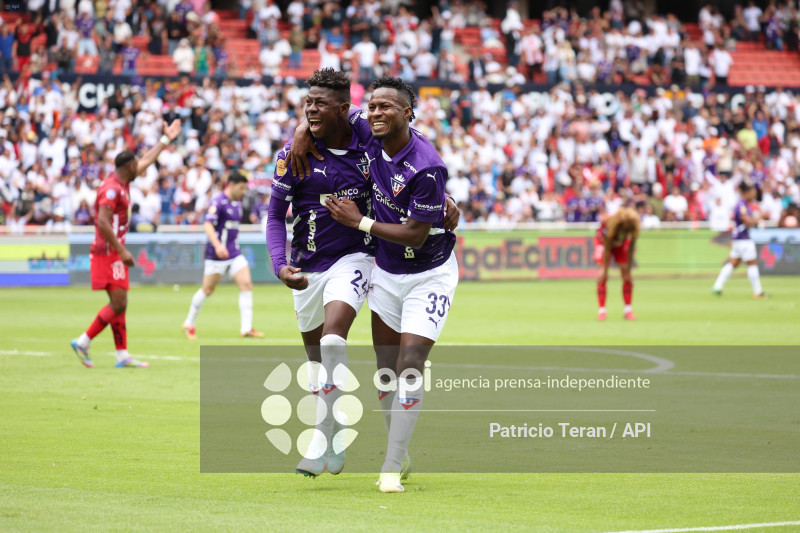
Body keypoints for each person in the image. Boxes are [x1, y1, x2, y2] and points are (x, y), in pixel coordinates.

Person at [319, 77, 459, 494]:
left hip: (429, 275)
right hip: (386, 273)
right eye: (372, 106)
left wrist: (358, 221)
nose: (376, 113)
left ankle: (391, 464)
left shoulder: (427, 164)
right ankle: (400, 451)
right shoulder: (366, 127)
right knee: (384, 372)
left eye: (386, 108)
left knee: (409, 367)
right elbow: (318, 118)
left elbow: (416, 233)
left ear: (408, 114)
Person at [70, 119, 182, 368]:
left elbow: (147, 160)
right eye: (137, 165)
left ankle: (122, 355)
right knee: (119, 302)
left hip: (113, 252)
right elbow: (101, 221)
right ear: (130, 166)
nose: (140, 168)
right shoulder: (111, 189)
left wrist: (165, 139)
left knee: (120, 302)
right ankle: (83, 341)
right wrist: (122, 250)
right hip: (107, 252)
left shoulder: (122, 182)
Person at [183, 171, 262, 338]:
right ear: (231, 185)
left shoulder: (237, 203)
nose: (243, 192)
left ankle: (246, 328)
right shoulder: (218, 202)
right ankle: (189, 323)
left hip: (234, 253)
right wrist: (218, 246)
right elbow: (207, 226)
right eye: (241, 188)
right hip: (216, 255)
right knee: (207, 290)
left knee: (246, 285)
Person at [712, 182, 767, 298]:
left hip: (738, 239)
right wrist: (761, 217)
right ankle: (758, 292)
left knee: (733, 263)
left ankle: (717, 287)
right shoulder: (742, 205)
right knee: (752, 263)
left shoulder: (745, 205)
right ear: (746, 193)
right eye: (752, 193)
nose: (754, 195)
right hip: (743, 240)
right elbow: (748, 221)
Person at [594, 207, 640, 321]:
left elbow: (631, 248)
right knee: (602, 276)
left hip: (620, 245)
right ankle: (602, 311)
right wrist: (604, 269)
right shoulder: (609, 224)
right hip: (604, 243)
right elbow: (607, 248)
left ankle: (628, 311)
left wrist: (628, 269)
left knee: (627, 276)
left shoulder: (633, 227)